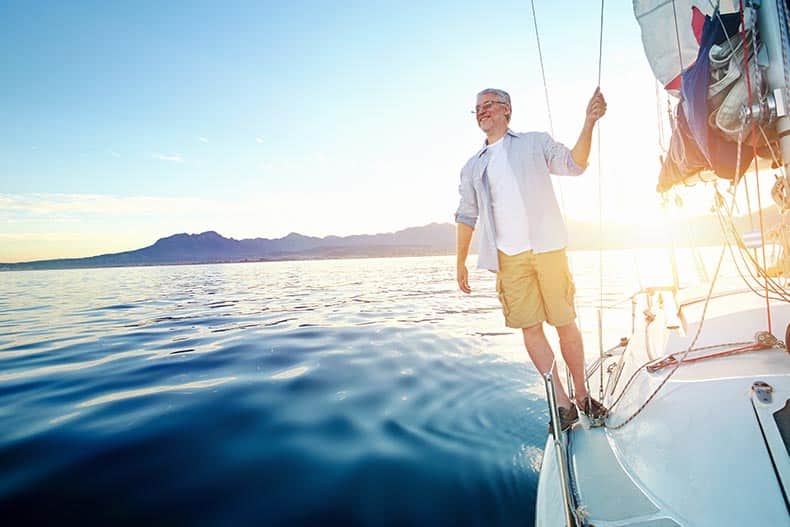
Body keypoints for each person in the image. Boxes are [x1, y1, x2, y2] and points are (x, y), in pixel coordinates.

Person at [455, 87, 607, 432]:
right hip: (508, 260)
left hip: (548, 249)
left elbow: (574, 164)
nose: (481, 111)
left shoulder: (534, 142)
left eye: (488, 105)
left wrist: (589, 123)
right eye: (477, 108)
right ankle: (563, 403)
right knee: (531, 329)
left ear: (507, 110)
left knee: (565, 323)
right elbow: (466, 215)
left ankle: (583, 394)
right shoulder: (471, 167)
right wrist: (460, 262)